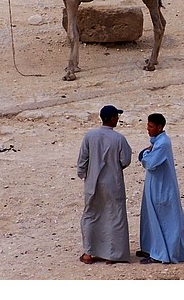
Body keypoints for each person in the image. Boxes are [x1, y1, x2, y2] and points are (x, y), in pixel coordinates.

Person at [137, 113, 184, 264]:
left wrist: (144, 154)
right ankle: (152, 248)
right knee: (153, 217)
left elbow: (150, 162)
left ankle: (163, 253)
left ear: (159, 127)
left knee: (163, 219)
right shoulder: (158, 142)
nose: (148, 129)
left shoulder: (162, 143)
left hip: (162, 188)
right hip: (156, 185)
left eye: (151, 126)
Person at [77, 105, 132, 264]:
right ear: (113, 118)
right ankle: (113, 254)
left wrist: (84, 176)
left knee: (91, 215)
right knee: (115, 217)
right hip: (113, 183)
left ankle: (88, 253)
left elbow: (82, 160)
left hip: (92, 182)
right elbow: (125, 161)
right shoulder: (119, 139)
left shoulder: (90, 136)